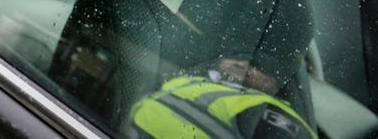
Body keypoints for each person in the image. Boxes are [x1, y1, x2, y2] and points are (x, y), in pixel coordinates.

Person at [130, 58, 316, 139]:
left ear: (275, 85)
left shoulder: (271, 112)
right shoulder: (190, 77)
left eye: (258, 66)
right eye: (237, 55)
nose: (242, 65)